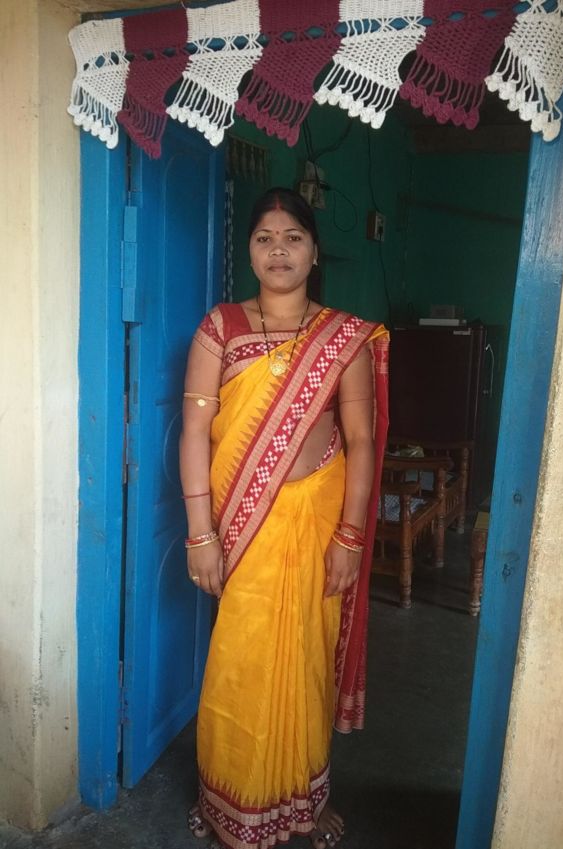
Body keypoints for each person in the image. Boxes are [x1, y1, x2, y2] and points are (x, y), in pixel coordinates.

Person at [179, 187, 389, 849]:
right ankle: (228, 802)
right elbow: (194, 432)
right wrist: (200, 533)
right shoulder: (221, 328)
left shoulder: (344, 338)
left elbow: (361, 440)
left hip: (317, 522)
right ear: (248, 249)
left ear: (314, 251)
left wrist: (350, 535)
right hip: (244, 528)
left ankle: (304, 799)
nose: (278, 250)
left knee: (306, 661)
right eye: (265, 237)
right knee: (240, 661)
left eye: (293, 237)